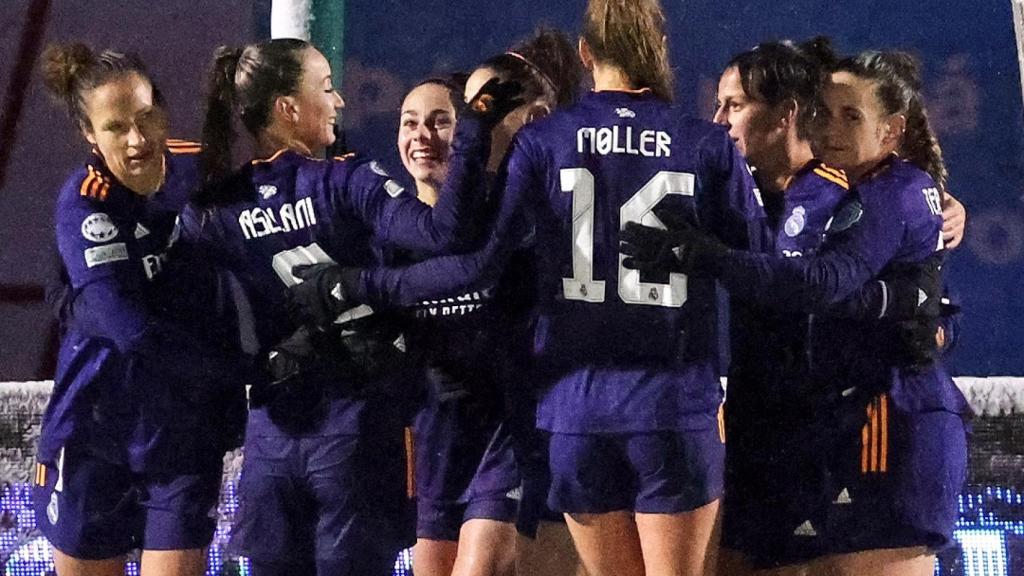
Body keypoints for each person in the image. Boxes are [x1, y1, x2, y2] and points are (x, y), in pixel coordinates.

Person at [286, 1, 769, 574]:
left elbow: (475, 263)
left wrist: (359, 284)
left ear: (586, 54)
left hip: (576, 412)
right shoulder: (704, 143)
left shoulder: (545, 143)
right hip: (672, 404)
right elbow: (759, 269)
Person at [622, 49, 969, 576]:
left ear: (786, 113)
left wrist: (922, 315)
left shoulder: (871, 192)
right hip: (764, 441)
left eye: (733, 105)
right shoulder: (727, 197)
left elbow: (934, 313)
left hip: (863, 428)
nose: (718, 122)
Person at [180, 38, 519, 576]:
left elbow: (189, 323)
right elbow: (442, 232)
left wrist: (253, 364)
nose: (339, 103)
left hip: (272, 440)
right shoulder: (342, 178)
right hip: (353, 435)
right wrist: (476, 127)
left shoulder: (213, 211)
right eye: (328, 88)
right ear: (290, 108)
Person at [34, 42, 245, 576]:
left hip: (181, 436)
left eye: (147, 117)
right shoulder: (85, 201)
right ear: (89, 134)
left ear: (163, 110)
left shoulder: (200, 169)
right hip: (93, 430)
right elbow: (127, 328)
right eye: (116, 127)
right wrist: (235, 373)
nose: (137, 138)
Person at [394, 28, 587, 576]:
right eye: (409, 122)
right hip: (439, 438)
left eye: (447, 119)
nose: (427, 136)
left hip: (513, 430)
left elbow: (481, 268)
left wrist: (373, 287)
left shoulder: (538, 198)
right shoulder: (401, 220)